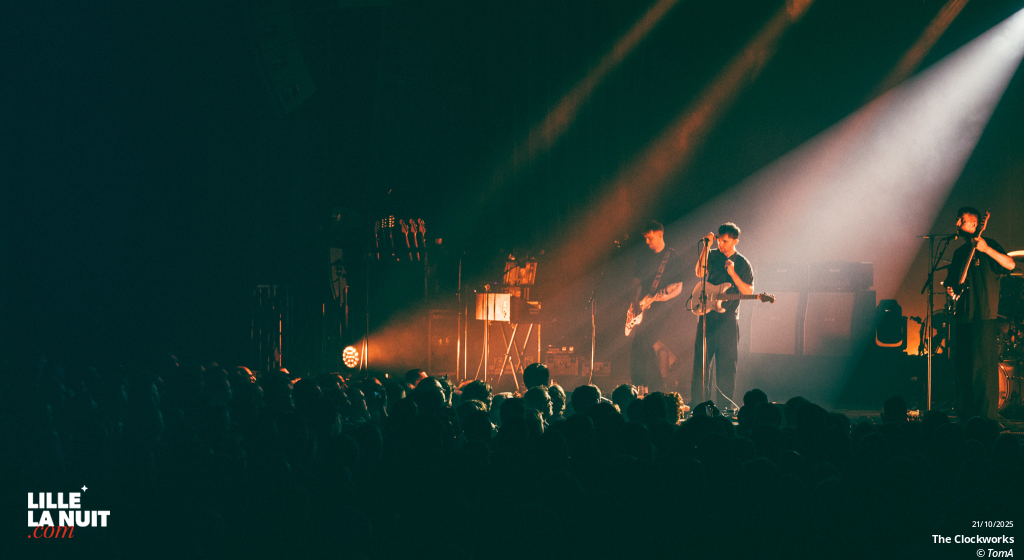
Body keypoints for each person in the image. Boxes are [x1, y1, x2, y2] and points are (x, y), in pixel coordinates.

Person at [944, 207, 1015, 420]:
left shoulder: (988, 244)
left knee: (983, 372)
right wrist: (951, 290)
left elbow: (1010, 264)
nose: (957, 223)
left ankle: (986, 421)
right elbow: (952, 283)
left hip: (984, 317)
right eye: (957, 219)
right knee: (963, 371)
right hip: (963, 317)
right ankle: (966, 419)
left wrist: (986, 250)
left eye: (962, 220)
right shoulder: (959, 253)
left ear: (975, 224)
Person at [692, 222, 754, 407]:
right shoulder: (711, 255)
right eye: (719, 240)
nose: (720, 244)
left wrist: (732, 273)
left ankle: (725, 409)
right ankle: (699, 406)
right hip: (707, 319)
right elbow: (699, 272)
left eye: (725, 241)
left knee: (727, 367)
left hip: (728, 321)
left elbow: (748, 292)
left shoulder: (742, 263)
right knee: (701, 365)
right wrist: (706, 247)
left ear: (735, 241)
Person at [628, 221, 685, 392]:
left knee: (644, 341)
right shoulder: (644, 256)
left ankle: (652, 385)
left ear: (660, 234)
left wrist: (665, 297)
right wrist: (634, 302)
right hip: (643, 306)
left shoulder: (672, 257)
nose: (647, 242)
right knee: (639, 346)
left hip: (662, 308)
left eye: (650, 238)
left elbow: (679, 287)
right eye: (645, 238)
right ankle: (645, 385)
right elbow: (637, 282)